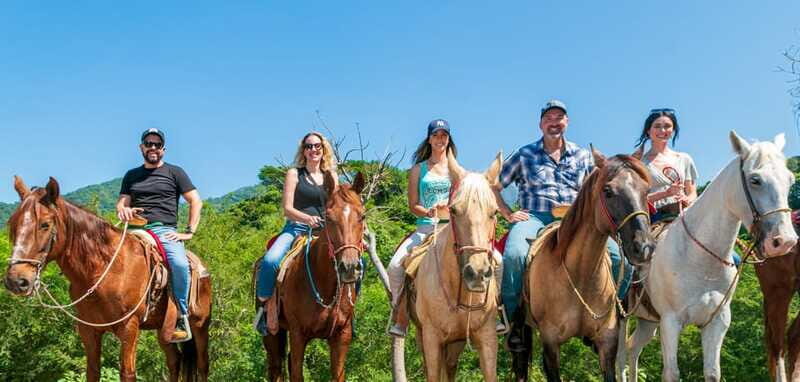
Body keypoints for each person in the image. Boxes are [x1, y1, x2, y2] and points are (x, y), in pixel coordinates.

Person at [492, 100, 621, 352]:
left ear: (567, 123)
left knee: (617, 257)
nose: (554, 122)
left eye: (559, 117)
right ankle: (513, 319)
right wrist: (508, 213)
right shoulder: (525, 154)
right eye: (549, 118)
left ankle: (607, 316)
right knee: (515, 254)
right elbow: (494, 186)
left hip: (575, 219)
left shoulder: (583, 155)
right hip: (535, 216)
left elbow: (596, 193)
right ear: (541, 124)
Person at [386, 119, 506, 337]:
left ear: (449, 140)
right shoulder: (417, 170)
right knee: (395, 266)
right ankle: (400, 314)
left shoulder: (459, 172)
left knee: (498, 262)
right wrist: (430, 211)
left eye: (444, 135)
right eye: (436, 135)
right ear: (429, 139)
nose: (440, 139)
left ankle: (496, 310)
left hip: (455, 230)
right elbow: (413, 205)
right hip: (426, 228)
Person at [117, 128, 202, 343]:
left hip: (164, 230)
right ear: (141, 147)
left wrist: (188, 232)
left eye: (157, 144)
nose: (152, 147)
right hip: (134, 230)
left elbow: (195, 201)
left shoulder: (175, 172)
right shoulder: (131, 175)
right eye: (148, 143)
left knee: (180, 265)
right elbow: (122, 203)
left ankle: (181, 315)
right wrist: (123, 210)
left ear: (163, 149)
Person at [254, 131, 338, 334]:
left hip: (325, 233)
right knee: (271, 260)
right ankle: (265, 307)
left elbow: (336, 206)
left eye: (317, 146)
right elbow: (287, 208)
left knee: (356, 261)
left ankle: (348, 309)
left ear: (323, 148)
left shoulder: (332, 176)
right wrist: (306, 218)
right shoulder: (294, 174)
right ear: (303, 150)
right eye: (308, 146)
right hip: (297, 228)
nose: (313, 150)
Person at [635, 108, 698, 221]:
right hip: (655, 218)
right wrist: (666, 193)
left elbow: (692, 192)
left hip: (685, 216)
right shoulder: (640, 164)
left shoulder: (685, 159)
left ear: (673, 130)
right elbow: (638, 200)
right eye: (657, 126)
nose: (662, 130)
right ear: (648, 131)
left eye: (667, 126)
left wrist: (687, 199)